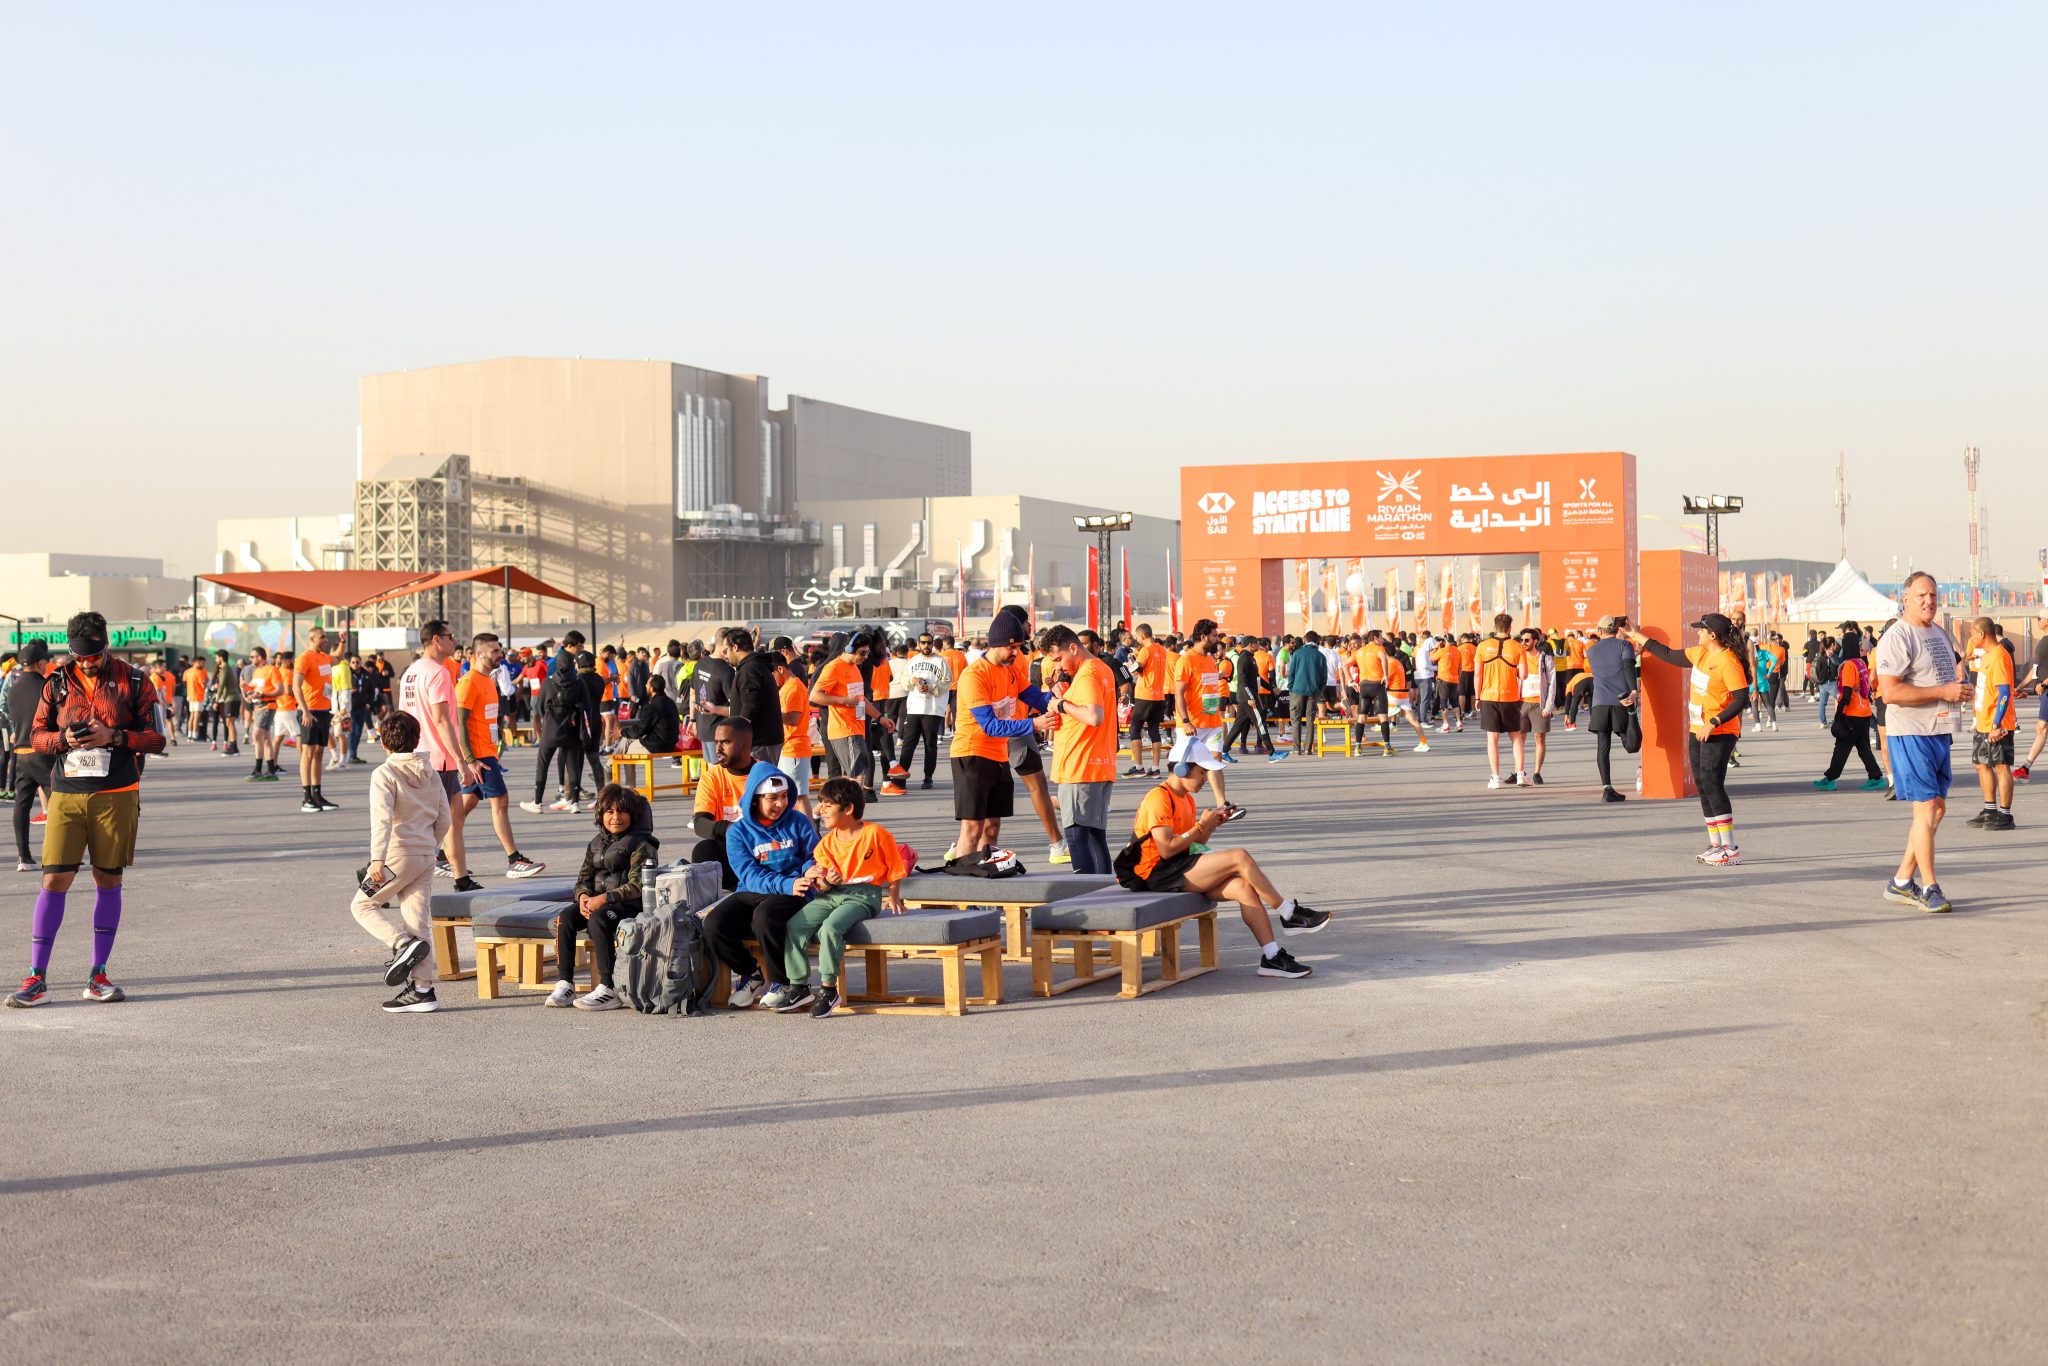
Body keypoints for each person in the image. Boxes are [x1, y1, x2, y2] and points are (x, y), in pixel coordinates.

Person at [9, 612, 166, 1008]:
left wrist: (114, 735)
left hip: (116, 792)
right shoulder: (57, 682)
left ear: (106, 645)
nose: (88, 662)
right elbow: (36, 736)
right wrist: (63, 738)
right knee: (53, 879)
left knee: (107, 879)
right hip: (66, 792)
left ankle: (98, 975)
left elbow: (157, 738)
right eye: (81, 656)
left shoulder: (134, 680)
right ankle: (36, 978)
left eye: (94, 655)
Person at [1126, 737, 1323, 979]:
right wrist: (1201, 825)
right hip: (1154, 873)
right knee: (1239, 856)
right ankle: (1288, 913)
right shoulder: (1158, 798)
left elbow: (1193, 844)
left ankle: (1272, 957)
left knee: (1242, 888)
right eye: (1202, 772)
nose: (1205, 779)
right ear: (1182, 768)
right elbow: (1166, 849)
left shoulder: (1186, 798)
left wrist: (1211, 825)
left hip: (1175, 867)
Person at [773, 776, 907, 1019]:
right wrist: (827, 882)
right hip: (833, 894)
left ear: (848, 809)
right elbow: (820, 887)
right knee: (795, 925)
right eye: (821, 805)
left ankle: (828, 990)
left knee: (830, 928)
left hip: (863, 896)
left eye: (828, 806)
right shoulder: (825, 844)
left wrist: (893, 896)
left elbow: (894, 869)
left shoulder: (876, 834)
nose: (821, 811)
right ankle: (799, 986)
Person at [1874, 573, 1968, 911]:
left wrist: (1959, 691)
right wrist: (1944, 691)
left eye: (1933, 594)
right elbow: (1890, 692)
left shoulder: (1938, 632)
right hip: (1911, 732)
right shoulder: (1897, 636)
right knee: (1926, 809)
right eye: (1921, 595)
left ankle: (1901, 881)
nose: (1929, 600)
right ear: (1906, 599)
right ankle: (1930, 888)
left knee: (1937, 809)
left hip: (1939, 729)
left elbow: (1944, 678)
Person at [1625, 613, 1751, 865]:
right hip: (1698, 728)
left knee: (1713, 784)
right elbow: (1668, 654)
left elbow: (1741, 699)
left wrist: (1714, 722)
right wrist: (1635, 634)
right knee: (1703, 784)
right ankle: (1716, 844)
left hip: (1720, 731)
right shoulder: (1700, 653)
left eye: (1701, 630)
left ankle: (1730, 848)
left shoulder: (1728, 661)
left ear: (1713, 635)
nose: (1697, 633)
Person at [350, 711, 452, 1014]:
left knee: (362, 905)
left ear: (384, 743)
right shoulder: (431, 773)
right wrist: (431, 845)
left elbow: (381, 820)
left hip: (395, 856)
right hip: (425, 855)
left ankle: (401, 944)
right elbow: (445, 818)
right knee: (417, 920)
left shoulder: (384, 773)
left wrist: (377, 860)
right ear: (417, 740)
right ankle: (423, 990)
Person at [949, 611, 1057, 863]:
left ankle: (985, 876)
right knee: (973, 828)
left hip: (998, 756)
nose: (1016, 653)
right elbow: (990, 726)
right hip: (972, 754)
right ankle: (964, 883)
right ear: (995, 644)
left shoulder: (1010, 670)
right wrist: (1034, 724)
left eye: (1018, 647)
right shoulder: (975, 675)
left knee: (992, 826)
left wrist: (1058, 697)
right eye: (1012, 647)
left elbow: (1034, 697)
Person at [710, 768, 819, 1010]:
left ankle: (783, 983)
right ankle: (750, 974)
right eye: (772, 798)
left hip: (795, 890)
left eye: (784, 796)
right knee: (714, 923)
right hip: (755, 889)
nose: (780, 803)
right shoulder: (737, 832)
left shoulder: (798, 820)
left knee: (765, 916)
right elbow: (749, 874)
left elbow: (815, 854)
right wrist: (786, 884)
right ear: (755, 799)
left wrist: (810, 869)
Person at [545, 784, 660, 1010]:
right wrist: (583, 896)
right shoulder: (596, 843)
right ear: (601, 815)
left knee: (598, 920)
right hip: (599, 901)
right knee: (565, 918)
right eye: (609, 811)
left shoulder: (643, 844)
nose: (616, 817)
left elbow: (638, 885)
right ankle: (565, 983)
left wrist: (604, 899)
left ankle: (609, 987)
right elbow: (583, 878)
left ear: (633, 815)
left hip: (629, 905)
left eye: (622, 811)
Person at [397, 620, 482, 892]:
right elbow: (442, 719)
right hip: (438, 759)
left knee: (447, 820)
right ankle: (376, 875)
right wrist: (461, 761)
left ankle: (461, 878)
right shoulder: (438, 673)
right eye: (450, 636)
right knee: (431, 827)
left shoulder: (411, 671)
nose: (454, 641)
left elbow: (403, 717)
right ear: (436, 639)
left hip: (415, 754)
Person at [456, 634, 547, 879]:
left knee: (463, 806)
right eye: (494, 651)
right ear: (479, 654)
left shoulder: (489, 680)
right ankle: (514, 860)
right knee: (501, 801)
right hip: (479, 757)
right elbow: (459, 724)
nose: (500, 654)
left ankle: (441, 854)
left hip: (489, 753)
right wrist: (469, 759)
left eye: (499, 650)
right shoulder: (468, 683)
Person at [1041, 624, 1119, 874]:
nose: (1058, 667)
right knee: (1095, 836)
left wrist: (1061, 705)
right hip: (1097, 763)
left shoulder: (1087, 673)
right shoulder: (1101, 668)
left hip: (1081, 765)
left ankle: (1086, 892)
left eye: (1059, 659)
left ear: (1073, 648)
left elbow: (1093, 716)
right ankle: (1103, 891)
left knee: (1077, 836)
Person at [689, 717, 778, 888]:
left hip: (764, 851)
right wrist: (732, 829)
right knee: (704, 849)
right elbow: (700, 824)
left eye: (725, 742)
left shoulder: (768, 775)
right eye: (716, 742)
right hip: (732, 851)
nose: (718, 748)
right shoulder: (712, 778)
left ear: (744, 744)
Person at [810, 631, 894, 800]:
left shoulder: (854, 667)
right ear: (849, 649)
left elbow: (861, 699)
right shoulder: (833, 668)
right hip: (844, 729)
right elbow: (814, 696)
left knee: (853, 776)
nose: (865, 657)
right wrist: (844, 700)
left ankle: (833, 809)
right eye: (862, 653)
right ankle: (851, 809)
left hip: (856, 729)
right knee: (856, 776)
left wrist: (880, 718)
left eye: (867, 653)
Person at [1962, 616, 2016, 832]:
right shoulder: (1986, 656)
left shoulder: (1999, 657)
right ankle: (1990, 810)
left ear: (1981, 634)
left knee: (2001, 767)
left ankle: (2005, 814)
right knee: (1981, 764)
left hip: (1997, 724)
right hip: (1983, 722)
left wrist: (1996, 724)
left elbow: (2004, 693)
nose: (1971, 639)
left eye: (1972, 634)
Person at [1814, 634, 1887, 792]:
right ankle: (1876, 777)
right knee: (1863, 747)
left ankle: (1830, 779)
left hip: (1853, 712)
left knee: (1842, 746)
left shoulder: (1848, 665)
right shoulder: (1861, 662)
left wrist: (1839, 714)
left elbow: (1846, 692)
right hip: (1864, 711)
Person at [7, 641, 55, 873]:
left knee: (22, 804)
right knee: (59, 804)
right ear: (40, 663)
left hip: (21, 754)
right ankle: (57, 855)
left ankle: (23, 857)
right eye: (45, 661)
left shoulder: (13, 690)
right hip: (44, 752)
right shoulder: (47, 687)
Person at [1584, 617, 1638, 802]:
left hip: (1599, 703)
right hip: (1620, 701)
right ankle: (1632, 714)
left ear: (1599, 631)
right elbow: (1627, 667)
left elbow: (1609, 665)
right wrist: (1634, 691)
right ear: (1617, 629)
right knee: (1630, 745)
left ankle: (1607, 789)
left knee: (1603, 747)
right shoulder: (1624, 645)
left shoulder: (1591, 650)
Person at [1474, 615, 1529, 789]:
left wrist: (1477, 697)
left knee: (1493, 738)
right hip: (1510, 696)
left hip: (1488, 696)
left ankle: (1496, 778)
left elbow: (1478, 674)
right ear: (1510, 628)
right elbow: (1524, 675)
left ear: (1494, 627)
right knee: (1515, 735)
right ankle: (1520, 775)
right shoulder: (1518, 647)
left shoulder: (1483, 646)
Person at [719, 626, 785, 767]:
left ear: (735, 647)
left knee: (757, 779)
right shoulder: (754, 666)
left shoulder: (750, 669)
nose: (725, 655)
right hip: (761, 741)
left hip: (758, 743)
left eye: (725, 651)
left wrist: (735, 734)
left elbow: (750, 704)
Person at [293, 626, 340, 812]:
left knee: (320, 751)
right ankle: (306, 798)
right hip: (309, 710)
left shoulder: (324, 657)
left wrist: (343, 641)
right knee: (308, 751)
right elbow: (296, 686)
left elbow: (338, 658)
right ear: (312, 639)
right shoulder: (304, 658)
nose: (325, 640)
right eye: (322, 637)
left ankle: (317, 795)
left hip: (323, 710)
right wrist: (305, 711)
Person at [895, 633, 950, 789]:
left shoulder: (940, 661)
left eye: (929, 642)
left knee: (930, 744)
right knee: (908, 743)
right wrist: (911, 681)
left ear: (932, 643)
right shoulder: (913, 661)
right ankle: (901, 778)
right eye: (923, 642)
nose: (926, 645)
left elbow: (947, 682)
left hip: (933, 709)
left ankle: (928, 777)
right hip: (915, 707)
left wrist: (930, 687)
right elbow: (904, 681)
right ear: (919, 644)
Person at [1516, 628, 1556, 783]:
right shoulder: (1518, 658)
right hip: (1521, 703)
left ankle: (1537, 772)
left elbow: (1552, 683)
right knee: (1519, 739)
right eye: (1521, 640)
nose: (1523, 643)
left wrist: (1548, 706)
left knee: (1539, 737)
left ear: (1535, 641)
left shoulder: (1545, 658)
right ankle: (1519, 772)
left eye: (1526, 640)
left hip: (1540, 703)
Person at [1281, 629, 1328, 758]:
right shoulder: (1320, 656)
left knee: (1295, 719)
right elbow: (1324, 678)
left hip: (1297, 690)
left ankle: (1296, 748)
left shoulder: (1297, 653)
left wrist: (1291, 687)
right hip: (1313, 691)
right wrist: (1318, 690)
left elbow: (1291, 673)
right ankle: (1308, 748)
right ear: (1317, 640)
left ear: (1305, 639)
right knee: (1310, 720)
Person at [2015, 610, 2048, 783]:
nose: (2037, 621)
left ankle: (2025, 768)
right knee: (2041, 729)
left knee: (2041, 728)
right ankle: (2025, 769)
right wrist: (2019, 687)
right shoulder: (2042, 642)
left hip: (2046, 690)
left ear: (2046, 621)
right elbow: (2035, 669)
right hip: (2044, 693)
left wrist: (2044, 684)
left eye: (2039, 618)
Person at [244, 646, 283, 781]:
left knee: (256, 735)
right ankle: (271, 769)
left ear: (259, 657)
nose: (250, 659)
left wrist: (262, 695)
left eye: (252, 657)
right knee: (265, 738)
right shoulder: (256, 672)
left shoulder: (272, 670)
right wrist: (247, 690)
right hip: (258, 707)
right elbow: (253, 688)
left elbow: (280, 690)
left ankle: (258, 769)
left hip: (268, 706)